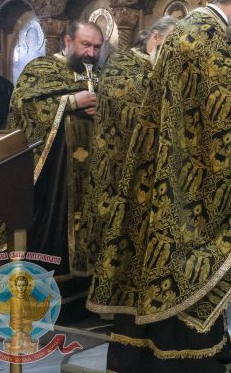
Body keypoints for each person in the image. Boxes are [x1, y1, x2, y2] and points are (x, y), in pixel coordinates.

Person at [86, 0, 231, 371]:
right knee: (184, 274)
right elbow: (228, 119)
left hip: (168, 172)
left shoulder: (191, 30)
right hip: (185, 192)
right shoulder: (208, 38)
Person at [74, 16, 178, 276]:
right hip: (116, 164)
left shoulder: (164, 67)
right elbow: (128, 99)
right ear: (155, 38)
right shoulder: (123, 62)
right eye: (170, 44)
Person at [8, 20, 104, 278]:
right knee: (54, 225)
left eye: (97, 47)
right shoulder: (41, 68)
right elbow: (24, 105)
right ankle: (48, 281)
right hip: (54, 171)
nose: (91, 54)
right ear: (68, 41)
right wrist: (71, 101)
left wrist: (102, 109)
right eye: (86, 45)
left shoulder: (99, 74)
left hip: (90, 171)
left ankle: (82, 282)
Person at [0, 271, 51, 355]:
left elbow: (37, 308)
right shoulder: (12, 299)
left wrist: (46, 301)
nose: (21, 287)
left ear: (27, 286)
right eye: (19, 285)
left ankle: (26, 348)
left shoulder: (31, 299)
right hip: (15, 325)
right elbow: (4, 306)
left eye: (23, 285)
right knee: (15, 338)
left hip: (27, 325)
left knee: (26, 339)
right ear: (15, 286)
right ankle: (15, 348)